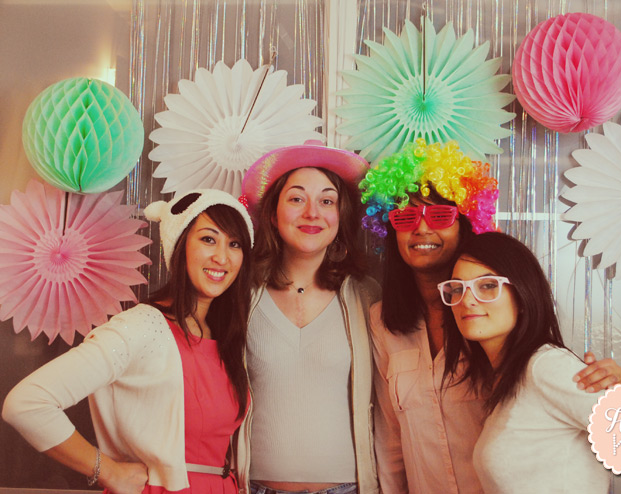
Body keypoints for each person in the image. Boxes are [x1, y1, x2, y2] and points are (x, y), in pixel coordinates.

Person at [358, 139, 621, 494]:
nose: (422, 229)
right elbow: (391, 439)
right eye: (406, 217)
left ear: (465, 223)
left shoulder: (493, 316)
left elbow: (553, 389)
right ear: (390, 229)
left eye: (440, 215)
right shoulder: (382, 322)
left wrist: (611, 389)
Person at [3, 189, 255, 494]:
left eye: (235, 244)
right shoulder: (144, 326)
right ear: (179, 245)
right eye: (208, 239)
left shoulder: (227, 338)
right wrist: (107, 471)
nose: (222, 257)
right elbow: (26, 403)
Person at [440, 231, 621, 493]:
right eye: (457, 288)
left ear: (523, 295)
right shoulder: (505, 380)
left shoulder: (544, 367)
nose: (467, 299)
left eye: (487, 285)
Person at [240, 141, 380, 494]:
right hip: (253, 488)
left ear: (341, 217)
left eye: (327, 201)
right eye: (297, 198)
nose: (312, 213)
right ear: (273, 215)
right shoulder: (240, 296)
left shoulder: (367, 296)